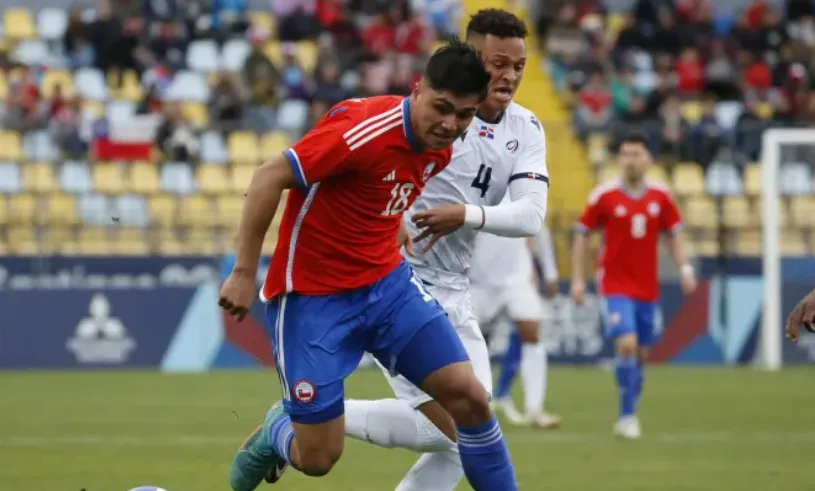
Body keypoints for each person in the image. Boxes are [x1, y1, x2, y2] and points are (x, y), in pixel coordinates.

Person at [219, 40, 521, 491]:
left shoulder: (440, 147)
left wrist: (391, 225)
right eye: (442, 107)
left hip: (387, 289)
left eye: (464, 115)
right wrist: (244, 272)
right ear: (418, 90)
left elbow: (379, 190)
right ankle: (276, 430)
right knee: (319, 458)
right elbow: (269, 176)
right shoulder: (362, 128)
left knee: (471, 401)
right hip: (313, 300)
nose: (449, 124)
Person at [342, 10, 548, 491]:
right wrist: (387, 220)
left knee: (467, 433)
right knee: (463, 428)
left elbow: (530, 215)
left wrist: (466, 214)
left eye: (519, 66)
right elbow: (370, 174)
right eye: (499, 63)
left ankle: (308, 418)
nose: (510, 76)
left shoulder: (526, 128)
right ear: (472, 59)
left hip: (455, 288)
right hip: (398, 282)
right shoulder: (430, 115)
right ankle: (304, 417)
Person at [571, 133, 697, 440]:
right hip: (614, 284)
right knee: (626, 343)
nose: (631, 159)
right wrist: (577, 278)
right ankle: (627, 417)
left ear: (648, 159)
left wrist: (684, 268)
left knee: (641, 351)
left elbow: (673, 235)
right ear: (619, 159)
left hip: (646, 288)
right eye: (626, 154)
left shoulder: (661, 197)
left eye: (637, 153)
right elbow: (582, 233)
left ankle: (628, 392)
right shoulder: (604, 195)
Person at [482, 224, 561, 428]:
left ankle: (535, 409)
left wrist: (549, 272)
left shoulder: (520, 193)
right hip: (480, 279)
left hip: (518, 276)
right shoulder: (472, 193)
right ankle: (479, 404)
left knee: (532, 332)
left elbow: (538, 229)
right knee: (474, 341)